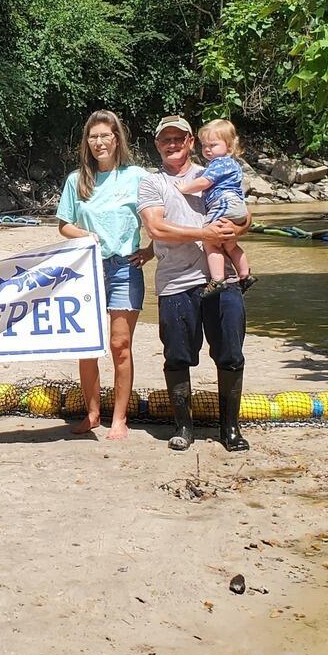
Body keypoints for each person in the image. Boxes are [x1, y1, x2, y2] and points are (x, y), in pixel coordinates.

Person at [136, 115, 251, 452]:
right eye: (165, 140)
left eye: (179, 139)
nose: (172, 144)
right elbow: (157, 229)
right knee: (178, 356)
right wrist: (205, 233)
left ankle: (230, 429)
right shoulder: (151, 182)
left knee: (231, 354)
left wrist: (238, 231)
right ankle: (183, 427)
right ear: (157, 145)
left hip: (221, 279)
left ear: (190, 143)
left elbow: (243, 212)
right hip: (175, 282)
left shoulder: (215, 168)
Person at [54, 110, 152, 440]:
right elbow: (64, 225)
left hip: (126, 268)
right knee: (87, 346)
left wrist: (151, 251)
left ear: (117, 138)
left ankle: (120, 418)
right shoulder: (77, 180)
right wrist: (84, 236)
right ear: (87, 143)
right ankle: (93, 413)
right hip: (87, 270)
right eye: (93, 137)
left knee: (120, 345)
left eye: (104, 136)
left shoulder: (137, 177)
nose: (99, 143)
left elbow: (160, 218)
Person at [181, 117, 256, 297]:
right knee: (230, 245)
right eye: (204, 145)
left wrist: (184, 188)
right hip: (237, 208)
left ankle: (217, 280)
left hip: (224, 204)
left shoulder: (220, 163)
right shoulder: (233, 164)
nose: (207, 149)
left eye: (213, 145)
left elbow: (205, 182)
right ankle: (245, 274)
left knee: (210, 241)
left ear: (229, 147)